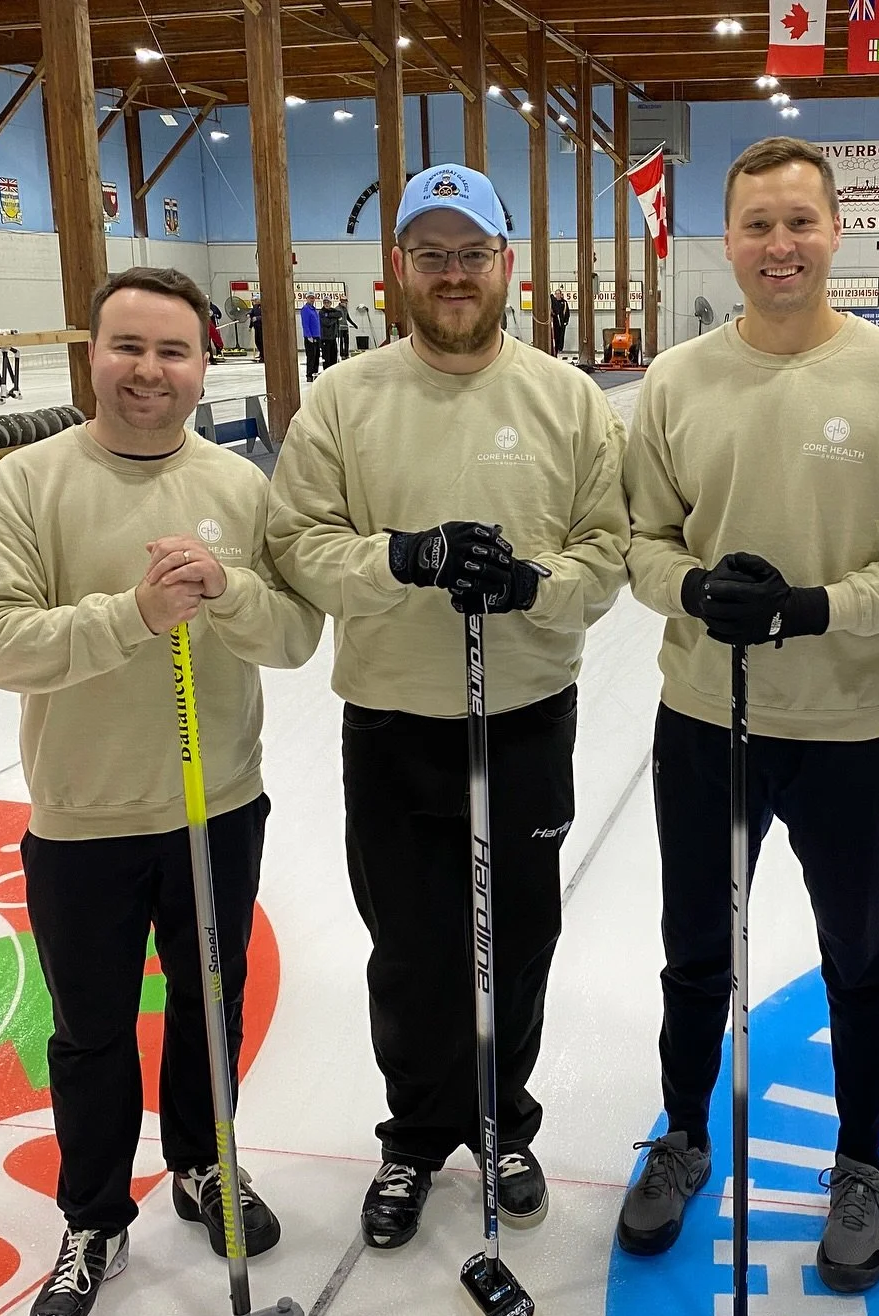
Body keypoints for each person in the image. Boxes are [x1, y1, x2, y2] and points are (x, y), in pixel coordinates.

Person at [617, 136, 879, 1294]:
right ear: (731, 238)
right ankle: (681, 1136)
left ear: (836, 233)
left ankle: (859, 1162)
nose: (780, 246)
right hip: (703, 723)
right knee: (694, 952)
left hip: (846, 735)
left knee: (858, 956)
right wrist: (690, 589)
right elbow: (639, 544)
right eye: (759, 225)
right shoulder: (675, 381)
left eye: (800, 223)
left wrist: (812, 608)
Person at [0, 266, 323, 1316]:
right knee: (91, 1032)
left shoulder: (242, 487)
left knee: (211, 1009)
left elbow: (294, 639)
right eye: (128, 347)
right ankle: (93, 1217)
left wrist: (229, 590)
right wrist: (131, 615)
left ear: (206, 362)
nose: (149, 371)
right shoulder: (28, 484)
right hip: (84, 818)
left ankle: (205, 1168)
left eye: (172, 351)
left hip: (216, 806)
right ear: (92, 356)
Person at [267, 165, 628, 1251]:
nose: (454, 273)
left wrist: (533, 588)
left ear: (507, 264)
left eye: (472, 252)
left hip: (520, 714)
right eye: (431, 254)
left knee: (515, 937)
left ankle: (503, 1122)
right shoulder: (344, 400)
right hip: (391, 718)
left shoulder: (567, 400)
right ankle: (415, 1136)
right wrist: (402, 557)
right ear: (400, 273)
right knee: (412, 945)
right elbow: (298, 543)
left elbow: (606, 555)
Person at [301, 295, 321, 381]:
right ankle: (309, 375)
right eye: (310, 298)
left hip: (317, 336)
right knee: (311, 357)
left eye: (313, 298)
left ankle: (315, 373)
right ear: (307, 299)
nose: (312, 300)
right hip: (310, 337)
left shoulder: (314, 309)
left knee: (316, 357)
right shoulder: (305, 309)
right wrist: (309, 335)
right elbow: (305, 324)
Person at [318, 296, 341, 372]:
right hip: (325, 338)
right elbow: (327, 323)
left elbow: (339, 314)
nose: (326, 304)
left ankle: (333, 371)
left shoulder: (333, 310)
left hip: (333, 338)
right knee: (327, 358)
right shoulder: (321, 312)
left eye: (328, 302)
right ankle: (326, 372)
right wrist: (335, 318)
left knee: (334, 357)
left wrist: (329, 315)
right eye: (325, 302)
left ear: (331, 303)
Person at [550, 287, 570, 358]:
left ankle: (560, 348)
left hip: (562, 322)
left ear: (561, 294)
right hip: (555, 323)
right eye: (556, 294)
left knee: (561, 336)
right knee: (556, 336)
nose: (558, 295)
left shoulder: (564, 302)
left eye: (559, 294)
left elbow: (567, 312)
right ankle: (555, 348)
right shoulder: (553, 302)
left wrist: (566, 321)